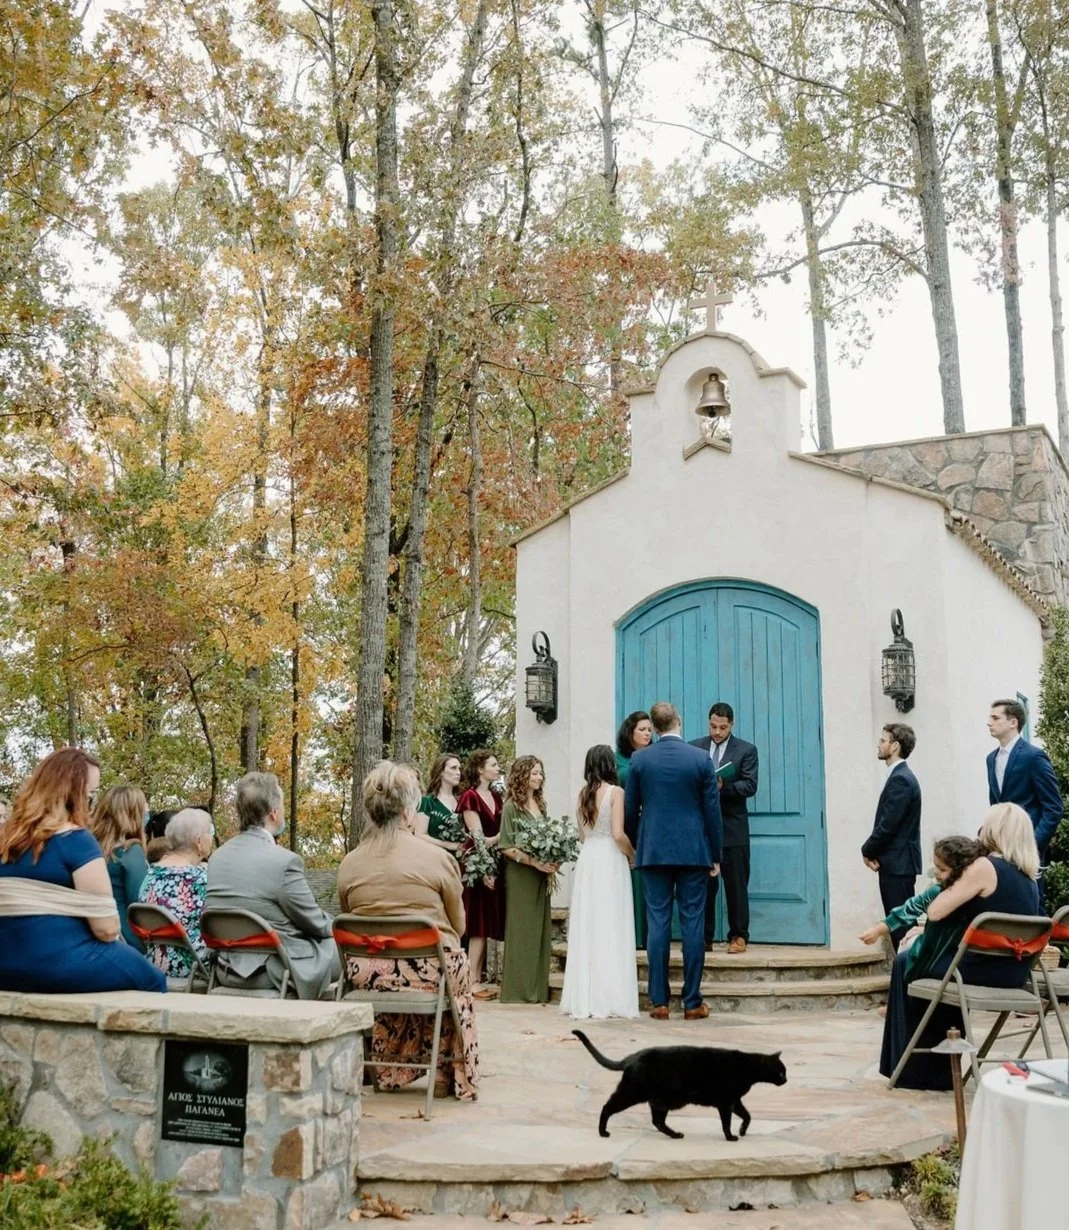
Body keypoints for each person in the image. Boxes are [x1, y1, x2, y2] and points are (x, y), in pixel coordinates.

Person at [337, 760, 478, 1101]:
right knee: (452, 966)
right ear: (406, 811)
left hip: (368, 972)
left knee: (421, 965)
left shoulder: (350, 863)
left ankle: (386, 1067)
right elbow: (458, 927)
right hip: (429, 972)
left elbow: (348, 917)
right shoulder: (436, 858)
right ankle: (447, 1073)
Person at [872, 805, 1041, 1090]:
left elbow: (937, 911)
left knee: (906, 961)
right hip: (1012, 973)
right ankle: (938, 1071)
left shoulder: (986, 866)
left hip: (973, 971)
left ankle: (913, 1071)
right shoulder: (1029, 878)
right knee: (941, 962)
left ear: (995, 832)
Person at [0, 748, 165, 993]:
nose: (91, 804)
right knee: (153, 979)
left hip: (5, 962)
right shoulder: (75, 839)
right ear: (73, 793)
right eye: (90, 794)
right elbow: (106, 928)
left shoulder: (6, 837)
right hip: (55, 962)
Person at [624, 701, 722, 1020]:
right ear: (678, 721)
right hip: (693, 851)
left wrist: (639, 843)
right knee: (693, 922)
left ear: (654, 726)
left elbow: (629, 811)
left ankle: (660, 1001)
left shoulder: (640, 760)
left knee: (658, 923)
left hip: (653, 851)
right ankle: (692, 1001)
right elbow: (712, 812)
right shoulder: (700, 759)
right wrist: (715, 854)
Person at [205, 772, 338, 999]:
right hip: (273, 970)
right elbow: (314, 923)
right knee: (344, 948)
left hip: (226, 967)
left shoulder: (217, 857)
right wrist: (338, 925)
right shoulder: (284, 861)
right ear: (274, 813)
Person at [560, 745, 639, 1019]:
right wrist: (633, 854)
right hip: (609, 858)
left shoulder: (582, 795)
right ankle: (611, 994)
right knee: (612, 923)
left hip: (589, 858)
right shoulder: (616, 793)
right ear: (609, 765)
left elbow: (583, 836)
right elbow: (618, 834)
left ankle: (586, 994)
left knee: (590, 924)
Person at [689, 702, 759, 953]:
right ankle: (704, 937)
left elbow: (750, 786)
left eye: (722, 727)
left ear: (732, 725)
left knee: (736, 885)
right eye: (713, 726)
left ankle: (738, 936)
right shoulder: (694, 747)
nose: (717, 731)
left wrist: (723, 788)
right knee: (703, 887)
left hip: (733, 828)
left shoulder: (746, 750)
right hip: (703, 829)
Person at [498, 756, 557, 1004]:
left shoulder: (541, 805)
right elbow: (506, 846)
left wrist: (554, 858)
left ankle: (537, 989)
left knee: (539, 930)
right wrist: (533, 862)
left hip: (541, 875)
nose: (539, 777)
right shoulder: (511, 806)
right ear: (522, 775)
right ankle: (519, 990)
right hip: (521, 874)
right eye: (534, 773)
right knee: (521, 930)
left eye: (541, 773)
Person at [862, 723, 922, 948]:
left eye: (883, 740)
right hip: (896, 864)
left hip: (898, 865)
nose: (878, 744)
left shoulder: (901, 779)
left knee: (902, 928)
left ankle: (909, 979)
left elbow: (889, 825)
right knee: (900, 925)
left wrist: (867, 850)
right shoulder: (898, 776)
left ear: (895, 746)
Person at [139, 808, 213, 980]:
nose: (212, 837)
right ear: (199, 842)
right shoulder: (203, 880)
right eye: (210, 832)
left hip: (154, 964)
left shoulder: (149, 877)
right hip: (196, 968)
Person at [986, 698, 1063, 861]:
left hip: (1027, 848)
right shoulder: (991, 759)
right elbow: (995, 803)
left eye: (995, 718)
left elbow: (1053, 806)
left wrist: (1034, 844)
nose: (989, 723)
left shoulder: (1033, 756)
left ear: (1013, 722)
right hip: (1000, 848)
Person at [457, 749, 504, 994]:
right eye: (493, 764)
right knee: (477, 924)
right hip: (476, 865)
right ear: (480, 769)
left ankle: (477, 976)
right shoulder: (470, 797)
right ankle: (471, 980)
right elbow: (477, 838)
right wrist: (487, 867)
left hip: (493, 863)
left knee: (486, 925)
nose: (497, 768)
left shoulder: (496, 796)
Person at [91, 785, 151, 951]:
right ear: (132, 814)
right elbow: (139, 901)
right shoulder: (130, 851)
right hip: (127, 939)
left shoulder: (89, 849)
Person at [616, 711, 653, 949]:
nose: (647, 734)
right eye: (642, 729)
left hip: (651, 826)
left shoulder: (655, 756)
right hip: (625, 824)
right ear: (630, 731)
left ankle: (647, 936)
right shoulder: (617, 759)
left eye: (650, 729)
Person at [415, 754, 463, 852]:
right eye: (453, 768)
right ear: (441, 772)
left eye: (459, 769)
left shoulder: (462, 801)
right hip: (435, 856)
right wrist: (447, 845)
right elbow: (419, 834)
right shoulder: (427, 801)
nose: (458, 773)